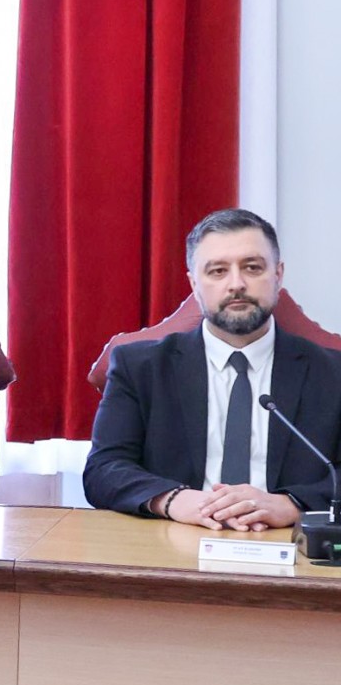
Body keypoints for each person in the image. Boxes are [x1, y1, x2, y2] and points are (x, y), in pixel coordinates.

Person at [84, 208, 341, 530]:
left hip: (287, 540)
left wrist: (292, 503)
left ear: (278, 275)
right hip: (175, 539)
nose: (237, 284)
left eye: (252, 267)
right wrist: (174, 500)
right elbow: (103, 470)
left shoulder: (332, 373)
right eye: (218, 271)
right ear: (194, 284)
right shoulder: (140, 368)